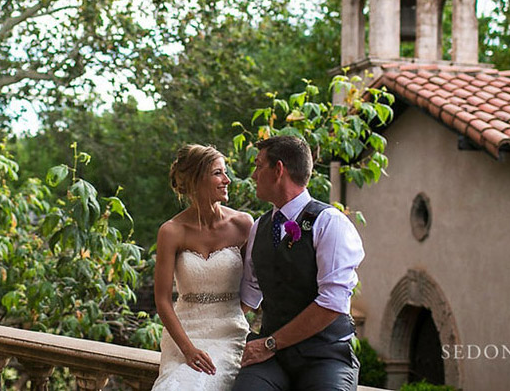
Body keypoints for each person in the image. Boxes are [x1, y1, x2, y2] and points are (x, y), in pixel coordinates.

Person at [232, 136, 365, 391]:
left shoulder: (330, 223)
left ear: (278, 170)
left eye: (258, 166)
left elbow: (332, 302)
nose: (254, 175)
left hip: (325, 355)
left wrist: (270, 343)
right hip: (272, 359)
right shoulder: (259, 227)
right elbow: (249, 294)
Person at [152, 144, 253, 391]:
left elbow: (255, 284)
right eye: (218, 173)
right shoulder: (171, 231)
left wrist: (231, 312)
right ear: (196, 180)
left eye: (225, 172)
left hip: (229, 334)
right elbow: (162, 300)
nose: (227, 180)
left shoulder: (243, 224)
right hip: (184, 335)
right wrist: (188, 349)